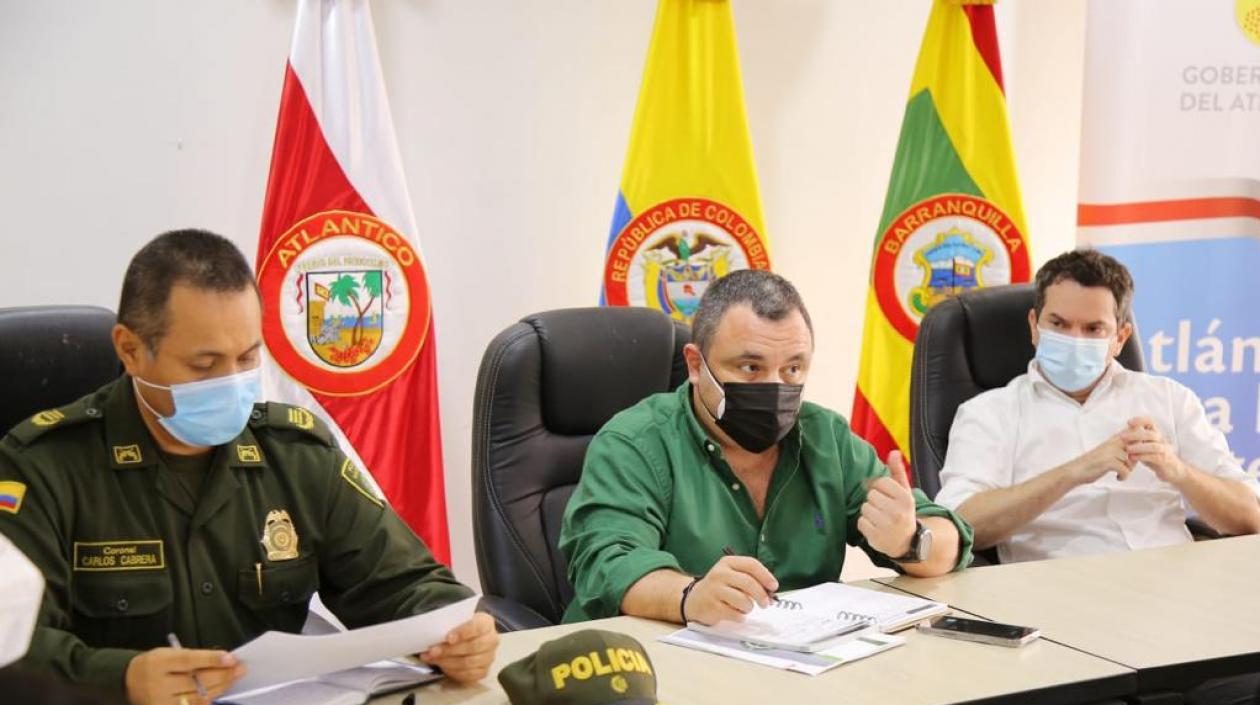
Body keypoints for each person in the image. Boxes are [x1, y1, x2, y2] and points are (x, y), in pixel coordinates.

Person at [0, 230, 498, 705]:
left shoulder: (295, 454)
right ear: (130, 350)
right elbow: (13, 648)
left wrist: (456, 631)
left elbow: (401, 583)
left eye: (246, 357)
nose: (231, 380)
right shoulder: (44, 467)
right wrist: (120, 679)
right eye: (204, 365)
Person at [559, 270, 973, 626]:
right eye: (750, 367)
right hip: (647, 663)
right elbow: (606, 562)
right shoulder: (636, 441)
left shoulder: (825, 437)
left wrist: (911, 540)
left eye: (793, 368)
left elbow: (951, 538)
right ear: (696, 364)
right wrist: (690, 596)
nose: (775, 387)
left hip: (794, 664)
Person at [935, 249, 1260, 564]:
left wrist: (1178, 471)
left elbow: (1251, 516)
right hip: (1057, 585)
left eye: (1093, 329)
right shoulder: (989, 413)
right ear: (1034, 325)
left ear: (1120, 338)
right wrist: (1075, 472)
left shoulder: (1170, 399)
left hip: (1172, 580)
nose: (1075, 339)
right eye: (1059, 324)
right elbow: (960, 525)